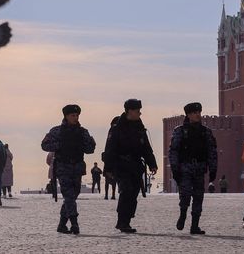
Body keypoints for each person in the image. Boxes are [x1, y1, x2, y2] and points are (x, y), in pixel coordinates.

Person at [104, 98, 158, 233]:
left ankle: (126, 220)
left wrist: (152, 164)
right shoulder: (117, 128)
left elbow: (146, 148)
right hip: (121, 165)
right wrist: (108, 168)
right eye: (137, 111)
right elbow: (110, 148)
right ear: (130, 111)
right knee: (126, 191)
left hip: (135, 166)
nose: (140, 113)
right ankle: (122, 221)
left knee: (133, 193)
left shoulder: (140, 128)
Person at [41, 104, 96, 235]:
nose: (75, 118)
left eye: (77, 115)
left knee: (73, 195)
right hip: (63, 168)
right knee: (69, 196)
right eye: (73, 115)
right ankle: (74, 223)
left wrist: (87, 144)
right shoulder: (57, 131)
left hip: (77, 168)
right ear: (66, 116)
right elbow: (44, 145)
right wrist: (61, 145)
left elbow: (90, 149)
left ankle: (61, 224)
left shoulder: (83, 132)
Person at [169, 102, 218, 235]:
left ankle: (195, 225)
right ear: (188, 115)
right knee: (185, 195)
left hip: (200, 168)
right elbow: (173, 151)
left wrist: (213, 169)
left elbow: (212, 151)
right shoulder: (179, 131)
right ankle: (183, 214)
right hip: (185, 168)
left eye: (199, 112)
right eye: (195, 113)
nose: (198, 115)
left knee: (198, 196)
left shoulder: (205, 132)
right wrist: (175, 169)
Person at [101, 116, 120, 200]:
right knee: (112, 181)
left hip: (110, 161)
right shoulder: (114, 130)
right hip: (113, 161)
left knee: (109, 181)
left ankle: (109, 195)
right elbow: (109, 147)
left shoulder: (112, 130)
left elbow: (108, 147)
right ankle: (110, 195)